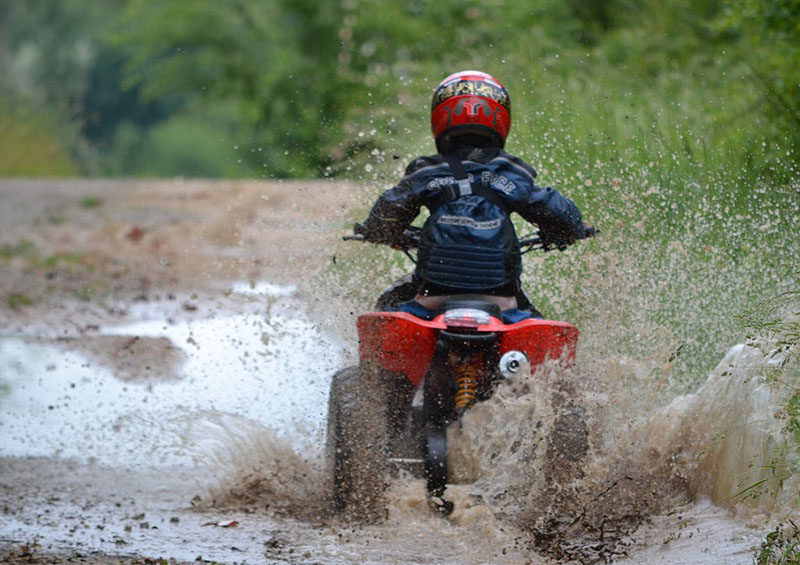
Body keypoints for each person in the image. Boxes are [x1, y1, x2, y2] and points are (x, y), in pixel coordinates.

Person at [355, 70, 588, 323]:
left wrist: (377, 231)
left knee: (386, 310)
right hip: (501, 300)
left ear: (440, 118)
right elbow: (552, 207)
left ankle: (377, 362)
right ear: (501, 119)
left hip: (432, 295)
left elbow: (391, 208)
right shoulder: (511, 171)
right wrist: (571, 228)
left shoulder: (427, 170)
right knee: (534, 323)